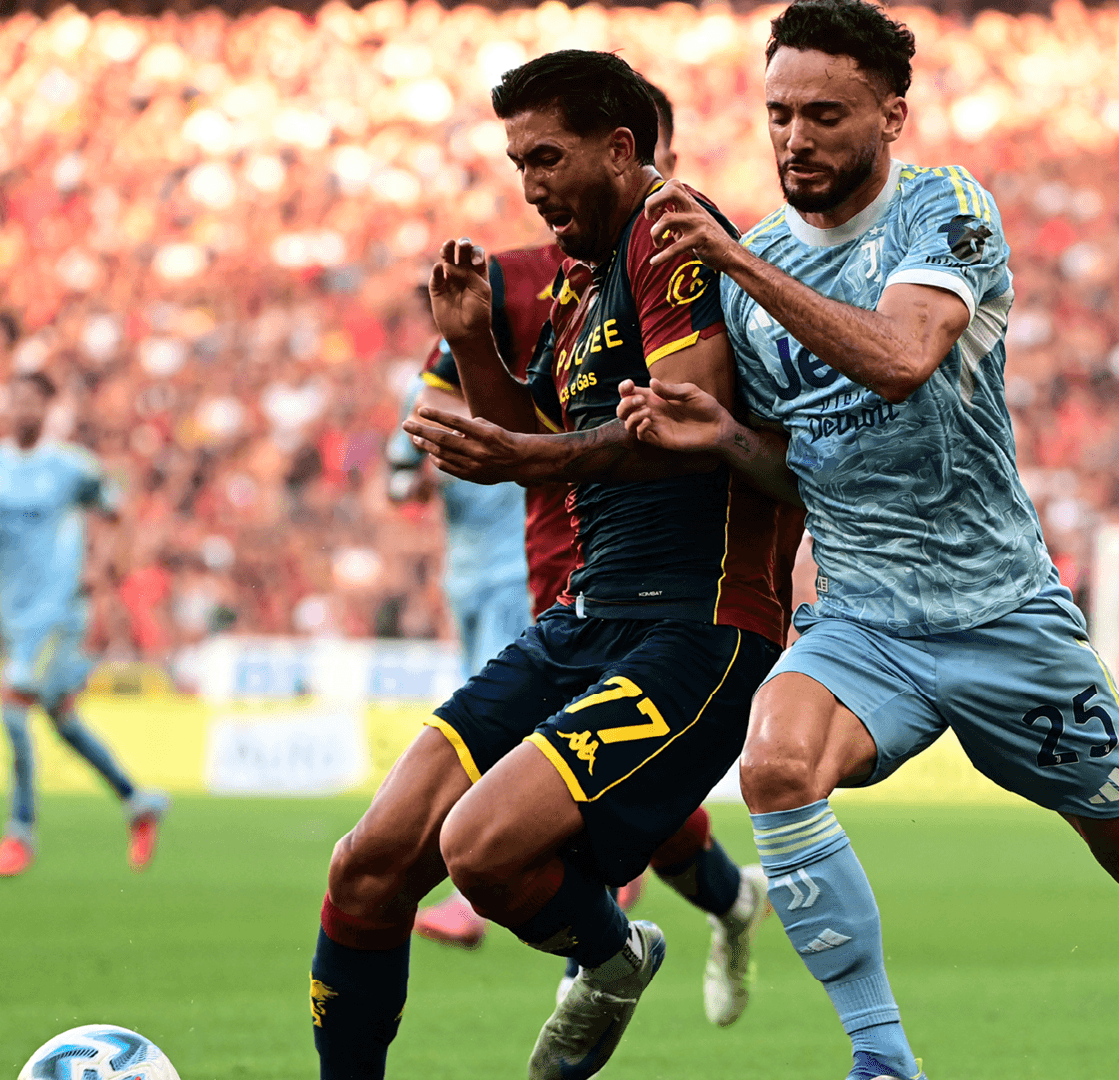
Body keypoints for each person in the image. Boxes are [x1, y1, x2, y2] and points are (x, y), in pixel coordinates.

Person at [618, 3, 1119, 1079]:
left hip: (1004, 618)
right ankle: (883, 1059)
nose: (795, 139)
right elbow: (795, 463)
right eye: (779, 114)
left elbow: (902, 358)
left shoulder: (943, 210)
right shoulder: (748, 267)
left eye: (825, 115)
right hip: (864, 624)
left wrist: (737, 263)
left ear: (890, 117)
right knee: (773, 764)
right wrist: (720, 436)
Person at [310, 50, 800, 1080]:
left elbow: (687, 424)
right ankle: (617, 948)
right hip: (587, 616)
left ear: (620, 149)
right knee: (367, 866)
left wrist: (525, 459)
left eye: (546, 159)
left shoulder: (670, 233)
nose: (529, 187)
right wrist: (474, 346)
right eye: (517, 164)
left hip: (696, 626)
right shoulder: (580, 281)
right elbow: (534, 430)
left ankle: (613, 951)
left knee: (481, 850)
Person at [0, 371, 169, 878]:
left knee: (12, 707)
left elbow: (119, 512)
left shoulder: (70, 467)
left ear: (47, 409)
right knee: (62, 719)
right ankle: (137, 802)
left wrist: (103, 568)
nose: (22, 410)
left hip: (58, 613)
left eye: (32, 402)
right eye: (15, 401)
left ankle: (19, 832)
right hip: (14, 615)